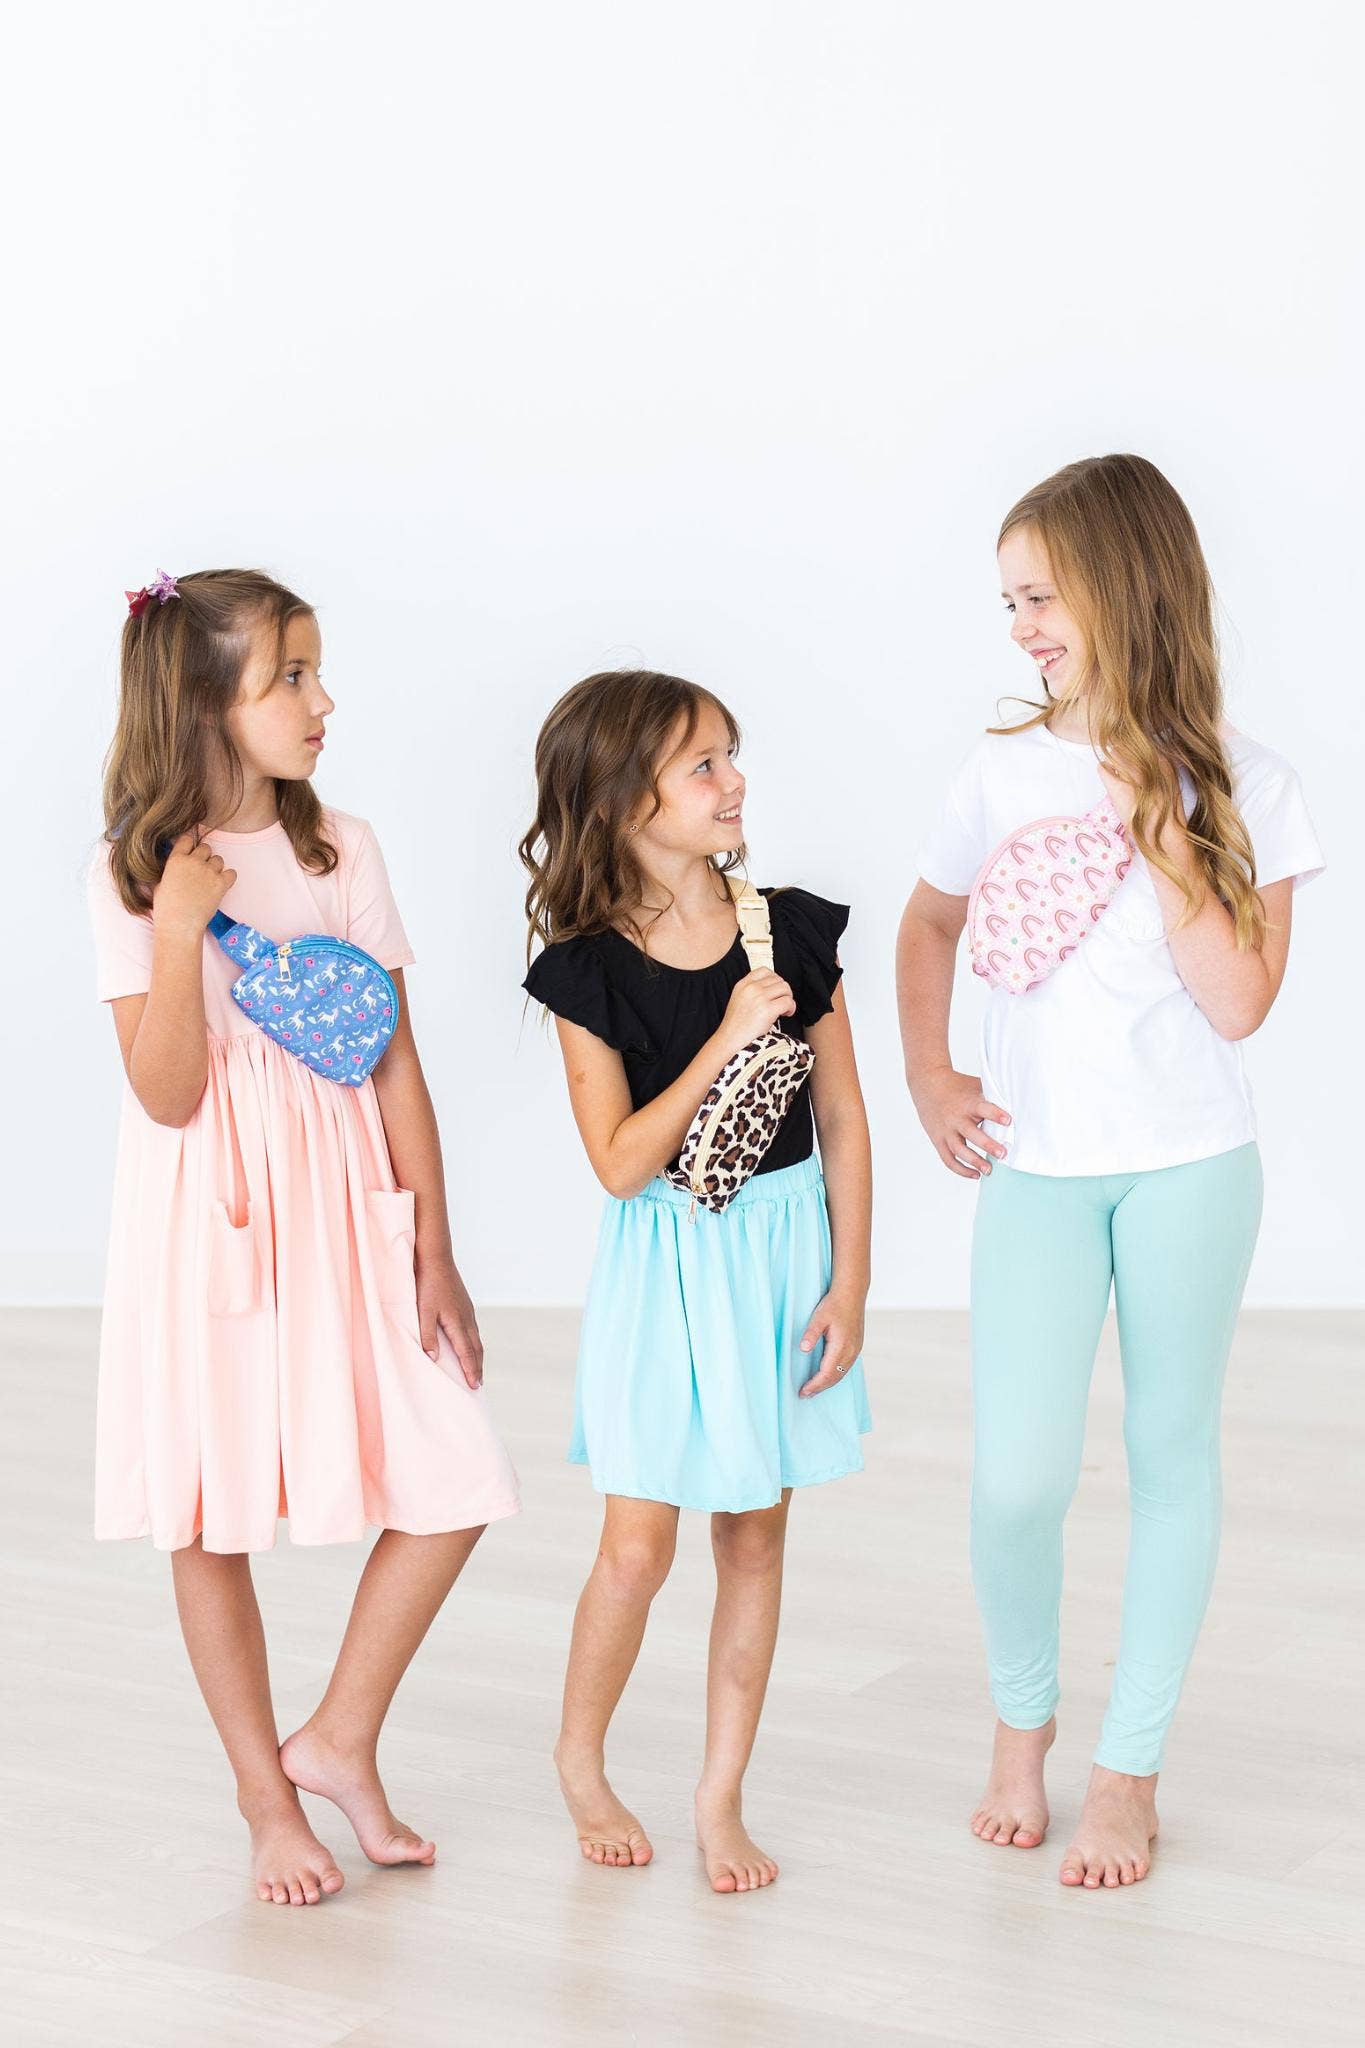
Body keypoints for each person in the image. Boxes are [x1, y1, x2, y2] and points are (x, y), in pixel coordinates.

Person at [897, 456, 1323, 1889]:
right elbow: (927, 924)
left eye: (1041, 598)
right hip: (1038, 1169)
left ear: (1125, 589)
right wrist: (933, 1072)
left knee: (1167, 1454)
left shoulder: (1251, 782)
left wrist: (1161, 814)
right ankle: (1021, 1721)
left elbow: (1240, 1002)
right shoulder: (1000, 771)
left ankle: (1128, 1767)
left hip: (1190, 1166)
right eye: (1009, 602)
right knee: (1017, 1476)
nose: (1021, 628)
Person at [89, 569, 519, 1906]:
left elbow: (395, 1060)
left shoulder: (341, 848)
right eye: (290, 675)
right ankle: (265, 1799)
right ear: (202, 702)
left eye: (316, 669)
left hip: (345, 1205)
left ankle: (336, 1736)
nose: (322, 699)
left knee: (455, 1472)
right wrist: (176, 932)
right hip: (208, 1221)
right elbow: (167, 1092)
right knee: (206, 1505)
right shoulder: (130, 874)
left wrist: (433, 1246)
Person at [520, 669, 872, 1892]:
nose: (735, 780)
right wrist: (726, 1033)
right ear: (625, 799)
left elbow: (844, 1118)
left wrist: (850, 1283)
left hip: (780, 1258)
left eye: (732, 752)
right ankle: (580, 1758)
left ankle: (722, 1794)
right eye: (704, 763)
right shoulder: (587, 970)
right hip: (667, 1263)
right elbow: (621, 1164)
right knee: (636, 1546)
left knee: (757, 1536)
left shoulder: (793, 929)